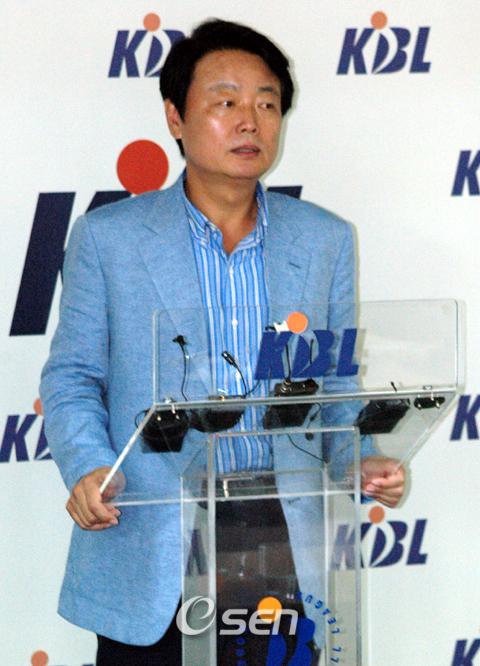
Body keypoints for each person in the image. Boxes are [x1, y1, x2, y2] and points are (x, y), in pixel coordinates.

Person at [40, 19, 405, 665]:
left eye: (267, 103)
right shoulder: (108, 238)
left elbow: (336, 386)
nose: (249, 121)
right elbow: (72, 377)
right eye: (226, 101)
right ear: (175, 118)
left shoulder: (324, 240)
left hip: (280, 539)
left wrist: (360, 459)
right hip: (154, 531)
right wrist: (90, 468)